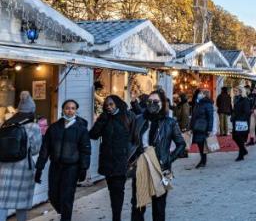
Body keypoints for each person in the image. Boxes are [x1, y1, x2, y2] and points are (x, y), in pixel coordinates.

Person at [129, 91, 186, 221]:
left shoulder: (170, 122)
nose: (152, 104)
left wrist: (168, 159)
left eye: (155, 102)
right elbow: (131, 141)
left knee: (159, 207)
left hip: (161, 169)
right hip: (141, 166)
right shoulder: (139, 119)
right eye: (149, 102)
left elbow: (181, 144)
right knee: (138, 205)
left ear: (162, 103)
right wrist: (132, 158)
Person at [35, 99, 91, 221]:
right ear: (62, 109)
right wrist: (39, 167)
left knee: (67, 197)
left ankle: (65, 217)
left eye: (72, 108)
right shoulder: (54, 128)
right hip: (55, 166)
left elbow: (85, 150)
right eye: (67, 108)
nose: (70, 110)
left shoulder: (81, 129)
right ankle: (64, 211)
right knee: (53, 195)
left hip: (72, 168)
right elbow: (45, 149)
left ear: (76, 111)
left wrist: (83, 168)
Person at [89, 95, 135, 221]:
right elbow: (93, 135)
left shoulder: (128, 116)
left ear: (117, 104)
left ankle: (116, 217)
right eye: (107, 105)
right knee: (112, 190)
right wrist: (102, 120)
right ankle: (116, 215)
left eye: (111, 104)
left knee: (118, 190)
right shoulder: (104, 118)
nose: (109, 107)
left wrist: (130, 156)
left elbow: (135, 137)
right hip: (107, 161)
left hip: (122, 160)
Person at [0, 92, 42, 221]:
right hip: (23, 169)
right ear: (32, 111)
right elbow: (35, 150)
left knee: (1, 201)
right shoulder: (33, 127)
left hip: (4, 168)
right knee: (22, 202)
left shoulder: (6, 124)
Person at [190, 89, 214, 168]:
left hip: (203, 127)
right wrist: (191, 126)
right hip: (197, 126)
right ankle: (203, 160)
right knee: (199, 143)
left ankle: (203, 160)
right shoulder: (198, 103)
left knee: (201, 143)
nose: (199, 95)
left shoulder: (207, 104)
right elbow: (194, 116)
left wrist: (210, 129)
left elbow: (211, 117)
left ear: (204, 95)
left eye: (201, 93)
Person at [231, 87, 251, 161]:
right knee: (235, 137)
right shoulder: (236, 99)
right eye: (235, 91)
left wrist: (240, 119)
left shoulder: (245, 100)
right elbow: (235, 110)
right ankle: (244, 150)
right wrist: (233, 116)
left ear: (241, 92)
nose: (235, 92)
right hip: (236, 121)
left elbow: (247, 112)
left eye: (237, 91)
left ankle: (241, 154)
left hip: (242, 122)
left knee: (240, 138)